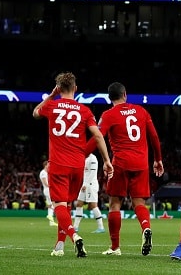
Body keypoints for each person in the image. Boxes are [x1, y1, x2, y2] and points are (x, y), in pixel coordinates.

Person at [33, 71, 113, 258]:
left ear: (59, 88)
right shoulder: (84, 111)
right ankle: (59, 245)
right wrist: (107, 161)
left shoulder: (52, 105)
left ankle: (74, 236)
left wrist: (51, 95)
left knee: (59, 205)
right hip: (78, 165)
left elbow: (35, 113)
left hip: (58, 164)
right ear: (76, 88)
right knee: (66, 205)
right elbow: (98, 135)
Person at [94, 81, 164, 256]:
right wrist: (158, 159)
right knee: (139, 202)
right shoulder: (141, 111)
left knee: (115, 203)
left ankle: (115, 247)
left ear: (110, 98)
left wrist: (99, 158)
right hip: (141, 164)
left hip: (120, 163)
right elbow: (154, 136)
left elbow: (98, 136)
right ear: (125, 94)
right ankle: (146, 228)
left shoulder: (108, 115)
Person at [73, 153, 105, 233]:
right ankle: (75, 227)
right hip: (85, 184)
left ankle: (101, 227)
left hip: (91, 185)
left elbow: (93, 173)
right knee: (79, 204)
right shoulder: (83, 158)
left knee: (93, 205)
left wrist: (86, 184)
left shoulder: (93, 158)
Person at [40, 160, 57, 227]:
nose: (49, 166)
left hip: (48, 190)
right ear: (45, 165)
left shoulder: (47, 172)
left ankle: (51, 222)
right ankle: (50, 215)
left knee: (50, 205)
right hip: (48, 190)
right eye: (48, 165)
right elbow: (45, 183)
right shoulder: (43, 173)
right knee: (54, 203)